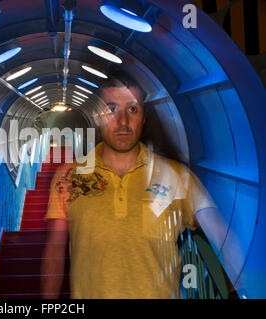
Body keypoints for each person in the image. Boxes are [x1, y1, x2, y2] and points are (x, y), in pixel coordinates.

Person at [40, 74, 241, 299]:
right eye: (112, 108)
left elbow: (223, 238)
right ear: (97, 117)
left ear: (144, 118)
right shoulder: (69, 175)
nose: (123, 121)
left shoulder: (176, 177)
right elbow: (55, 250)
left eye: (133, 109)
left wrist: (235, 291)